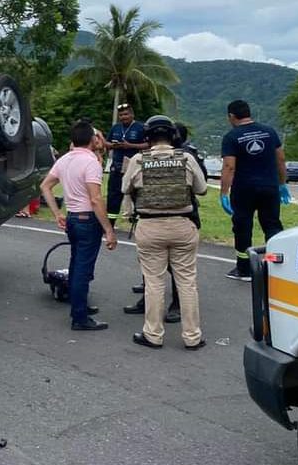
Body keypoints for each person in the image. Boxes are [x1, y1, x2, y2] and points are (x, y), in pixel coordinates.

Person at [121, 115, 208, 349]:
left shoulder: (138, 160)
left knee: (154, 283)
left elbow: (125, 187)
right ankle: (192, 336)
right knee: (187, 282)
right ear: (173, 136)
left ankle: (153, 334)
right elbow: (202, 189)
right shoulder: (186, 158)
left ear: (147, 137)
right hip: (182, 225)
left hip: (150, 227)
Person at [41, 120, 118, 331]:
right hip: (87, 220)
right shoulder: (90, 162)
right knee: (83, 269)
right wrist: (109, 230)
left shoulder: (65, 159)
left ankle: (79, 305)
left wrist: (57, 213)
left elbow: (45, 186)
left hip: (73, 218)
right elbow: (95, 199)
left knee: (76, 264)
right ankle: (80, 317)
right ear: (92, 139)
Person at [219, 100, 288, 281]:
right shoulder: (269, 132)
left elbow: (229, 167)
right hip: (269, 187)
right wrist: (282, 184)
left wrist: (224, 192)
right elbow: (281, 159)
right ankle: (275, 266)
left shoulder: (232, 137)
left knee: (243, 227)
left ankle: (244, 269)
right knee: (272, 225)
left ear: (231, 116)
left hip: (244, 189)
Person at [105, 103, 149, 225]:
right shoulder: (116, 128)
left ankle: (138, 222)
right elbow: (106, 143)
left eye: (126, 114)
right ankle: (110, 222)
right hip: (117, 167)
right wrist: (113, 145)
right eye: (121, 115)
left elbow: (148, 144)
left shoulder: (140, 128)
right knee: (113, 196)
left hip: (134, 167)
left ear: (132, 115)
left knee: (137, 194)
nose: (123, 117)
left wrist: (130, 145)